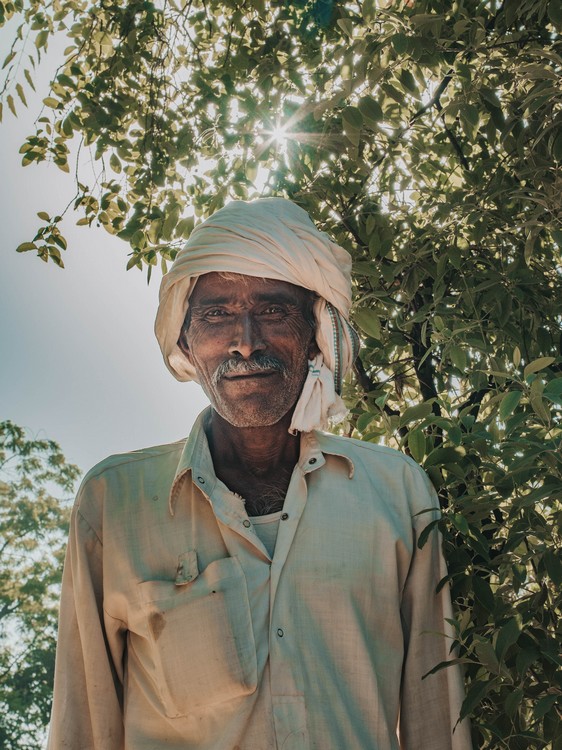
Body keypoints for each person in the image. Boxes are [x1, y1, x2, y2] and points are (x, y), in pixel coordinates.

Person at [48, 198, 472, 749]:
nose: (245, 339)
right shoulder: (115, 501)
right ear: (185, 341)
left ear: (316, 331)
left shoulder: (396, 491)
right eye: (216, 315)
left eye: (273, 311)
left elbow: (435, 716)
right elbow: (83, 723)